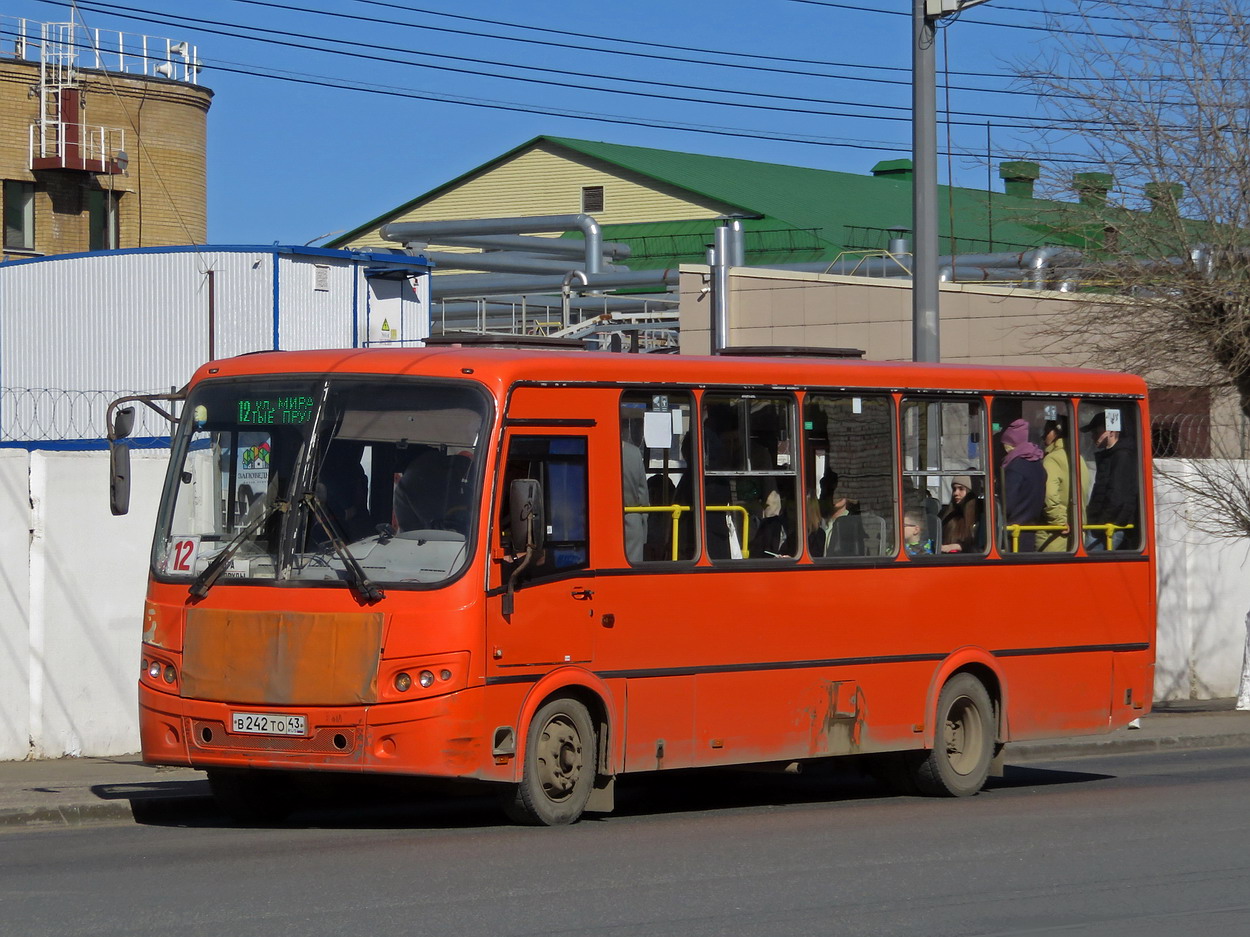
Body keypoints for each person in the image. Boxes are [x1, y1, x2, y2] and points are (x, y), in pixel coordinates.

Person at [1082, 410, 1138, 551]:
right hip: (1101, 526)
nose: (1092, 436)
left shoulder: (1122, 456)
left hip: (1109, 528)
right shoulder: (1110, 456)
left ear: (1110, 431)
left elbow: (1118, 496)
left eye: (1096, 431)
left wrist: (1100, 525)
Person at [1001, 418, 1045, 552]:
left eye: (1006, 443)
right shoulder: (1038, 462)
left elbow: (1007, 503)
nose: (1004, 447)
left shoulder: (1014, 467)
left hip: (1014, 532)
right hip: (1032, 529)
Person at [1040, 418, 1071, 552]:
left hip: (1054, 536)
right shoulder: (1078, 458)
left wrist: (1059, 523)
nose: (1043, 436)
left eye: (1046, 431)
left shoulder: (1052, 459)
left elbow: (1050, 495)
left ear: (1056, 433)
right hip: (1078, 531)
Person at [938, 474, 980, 553]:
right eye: (954, 489)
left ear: (970, 493)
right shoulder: (946, 515)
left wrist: (957, 546)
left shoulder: (980, 517)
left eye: (961, 489)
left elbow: (981, 548)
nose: (956, 493)